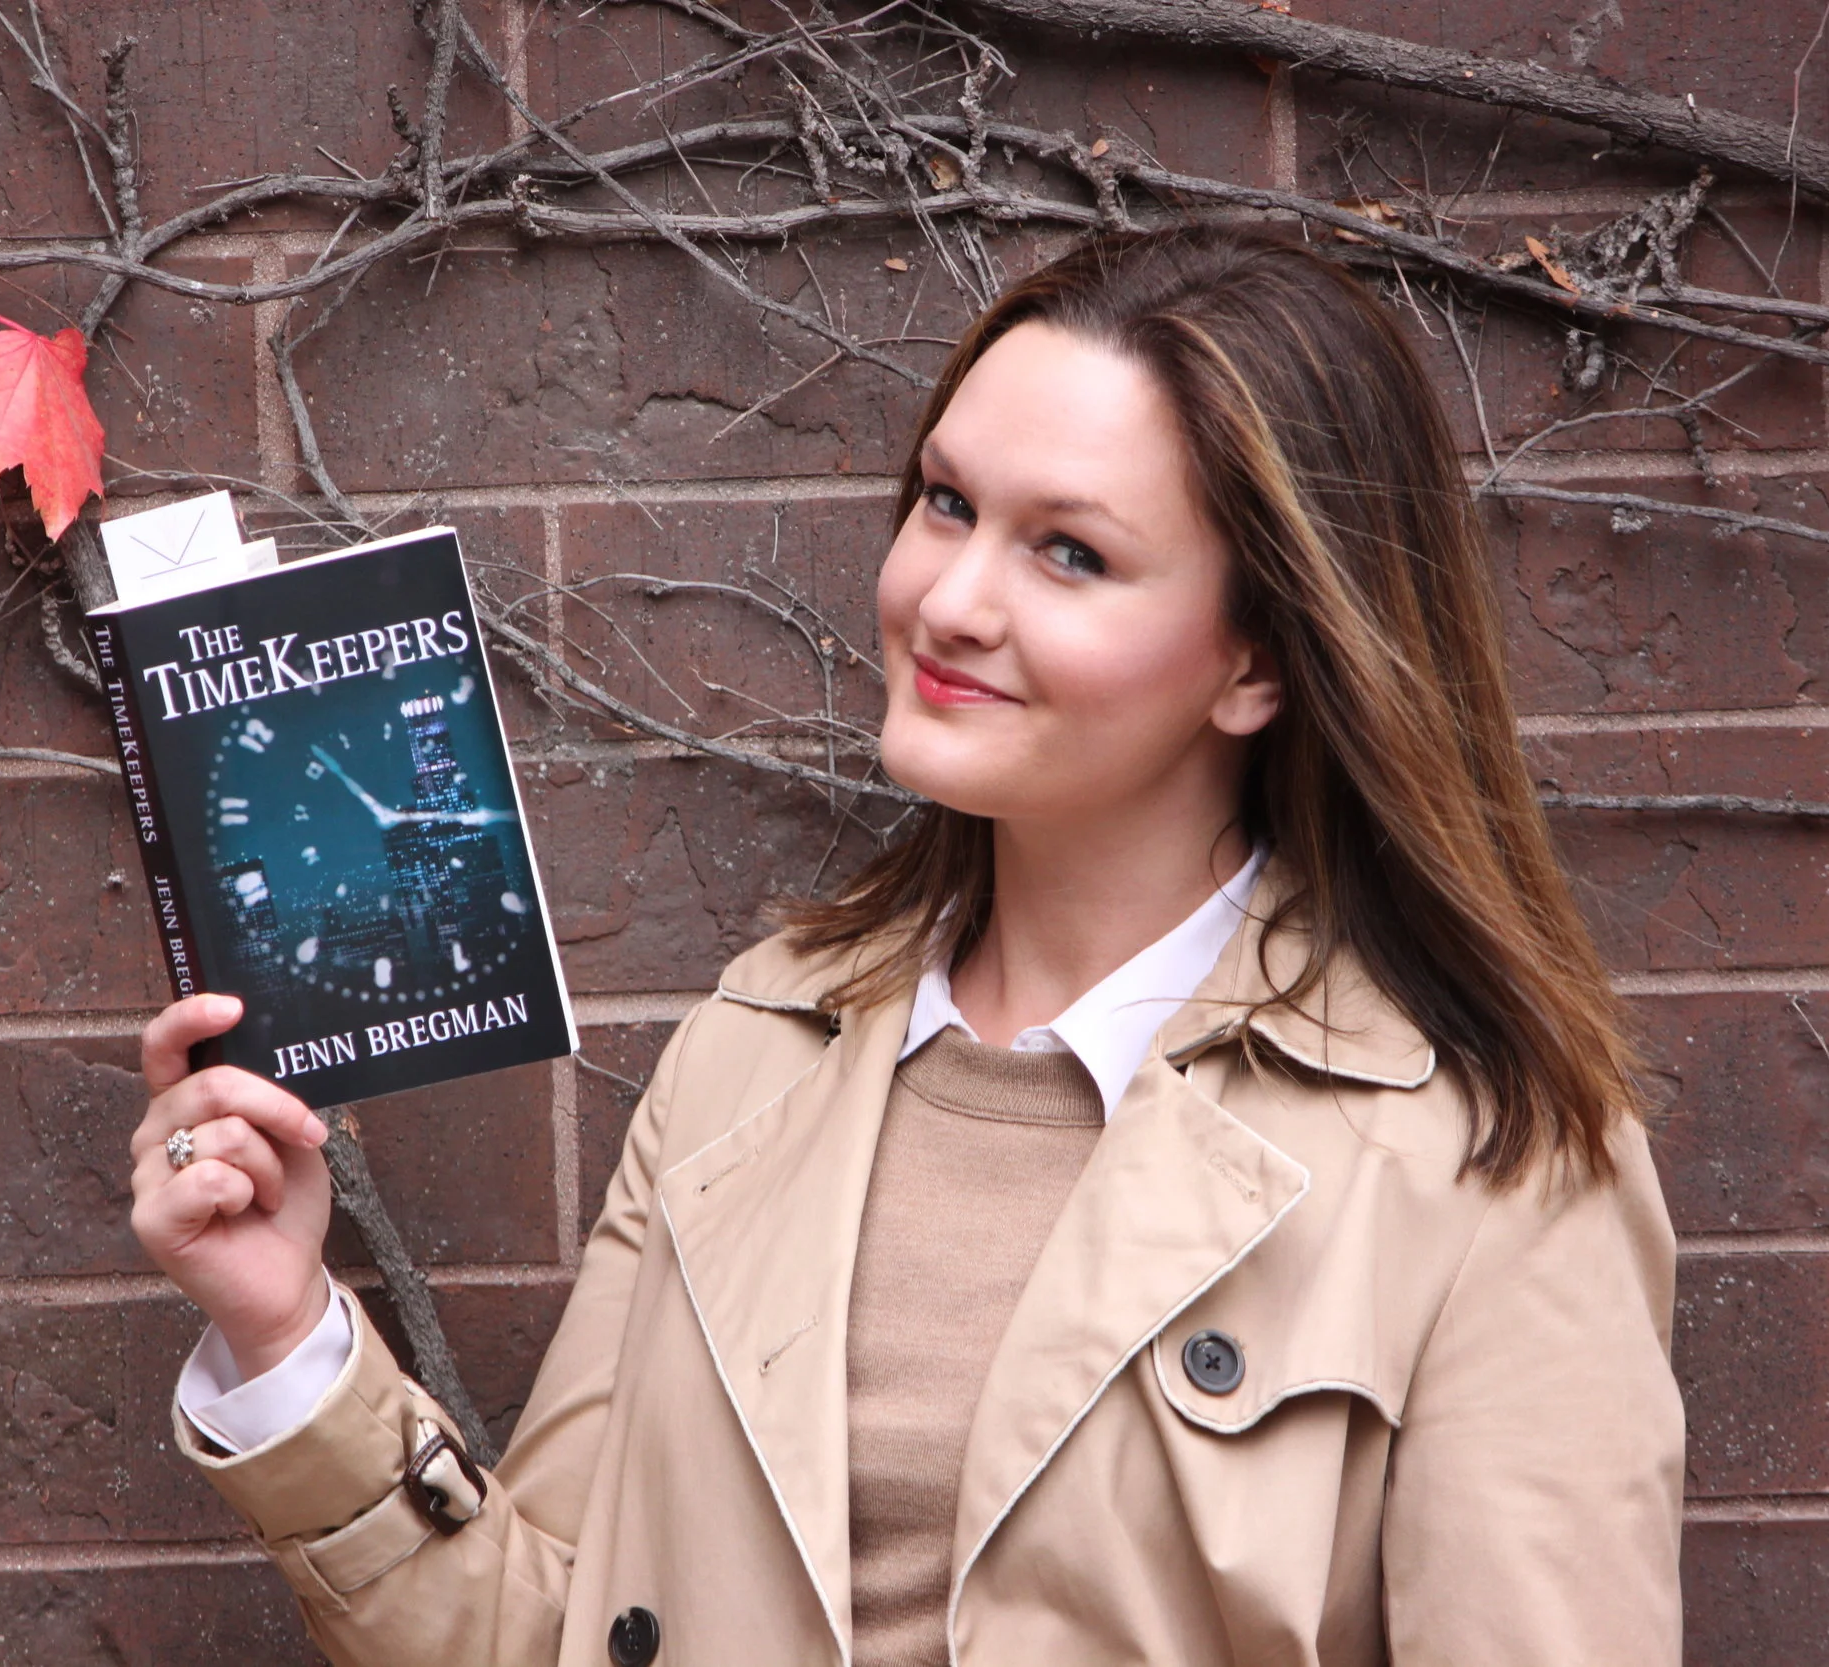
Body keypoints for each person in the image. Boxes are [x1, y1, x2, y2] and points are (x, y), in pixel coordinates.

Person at [127, 224, 1685, 1667]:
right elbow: (558, 1637)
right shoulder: (756, 1052)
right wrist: (288, 1334)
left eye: (1069, 553)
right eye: (948, 503)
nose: (949, 600)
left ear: (1257, 664)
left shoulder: (1485, 1160)